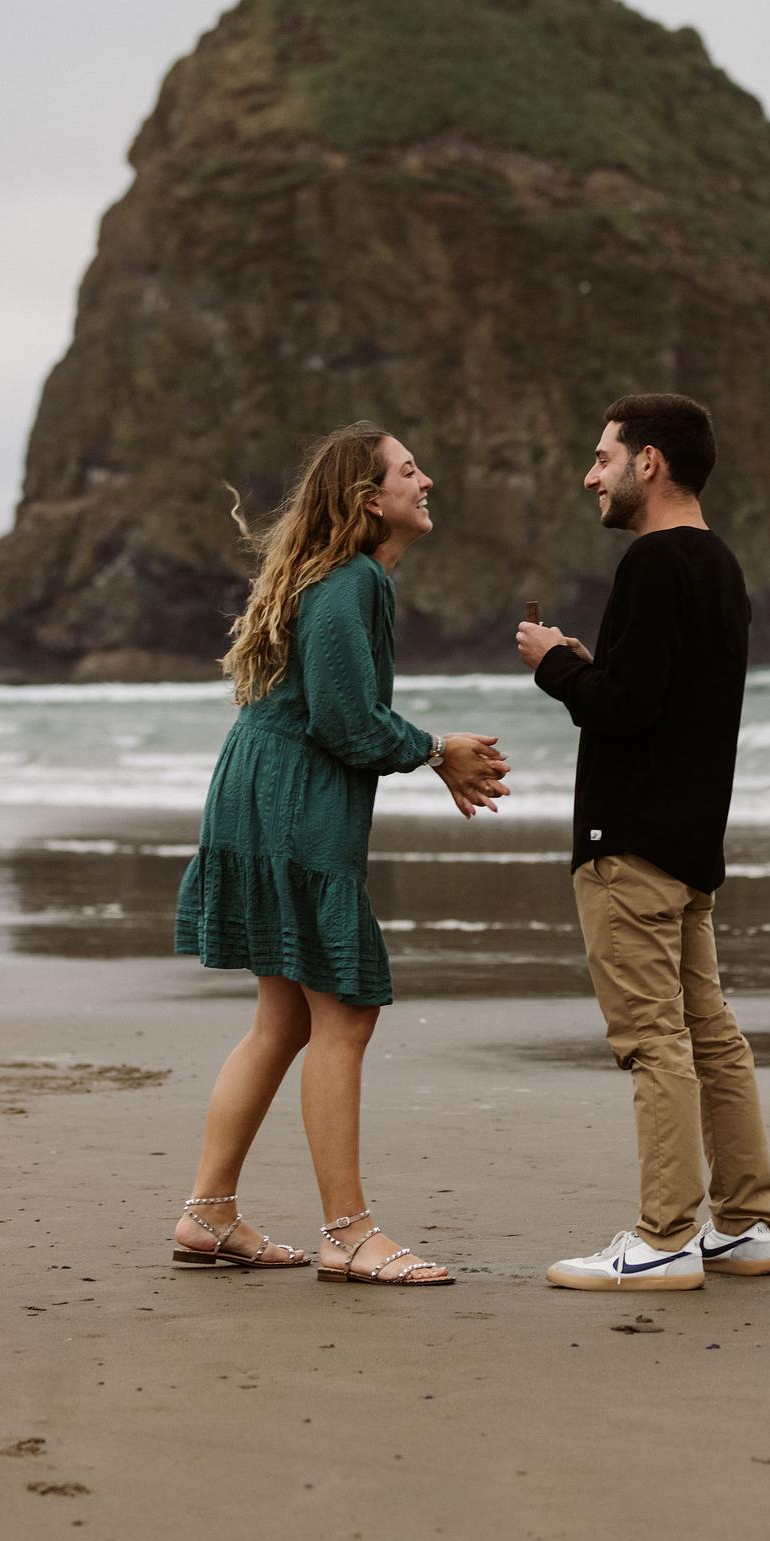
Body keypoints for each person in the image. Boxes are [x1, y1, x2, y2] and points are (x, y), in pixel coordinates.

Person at [172, 421, 509, 1287]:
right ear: (369, 500)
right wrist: (437, 750)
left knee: (286, 1017)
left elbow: (337, 714)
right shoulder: (351, 580)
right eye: (408, 470)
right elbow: (344, 722)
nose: (426, 480)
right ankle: (349, 1233)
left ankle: (209, 1214)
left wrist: (433, 758)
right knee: (344, 1013)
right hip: (290, 801)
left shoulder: (346, 579)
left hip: (264, 787)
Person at [516, 393, 770, 1292]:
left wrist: (554, 662)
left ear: (649, 463)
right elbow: (664, 699)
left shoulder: (652, 563)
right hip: (694, 841)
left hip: (629, 845)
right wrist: (593, 669)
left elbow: (621, 710)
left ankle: (664, 1237)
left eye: (603, 457)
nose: (591, 475)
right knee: (711, 1036)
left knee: (653, 1041)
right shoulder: (718, 565)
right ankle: (741, 1227)